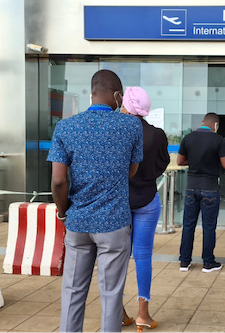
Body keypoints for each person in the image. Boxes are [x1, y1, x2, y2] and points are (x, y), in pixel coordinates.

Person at [47, 69, 143, 332]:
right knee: (111, 294)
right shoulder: (131, 126)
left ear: (91, 93)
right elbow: (131, 172)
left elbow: (58, 181)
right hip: (114, 223)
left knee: (73, 290)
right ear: (116, 95)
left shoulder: (65, 127)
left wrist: (64, 212)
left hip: (77, 223)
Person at [120, 87, 169, 332]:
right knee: (143, 256)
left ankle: (118, 310)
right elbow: (162, 163)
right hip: (148, 200)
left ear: (127, 105)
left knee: (116, 257)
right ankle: (143, 314)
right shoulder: (157, 134)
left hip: (119, 202)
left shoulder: (117, 131)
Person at [177, 113, 225, 272]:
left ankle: (184, 262)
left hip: (191, 187)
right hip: (210, 188)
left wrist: (193, 162)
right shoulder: (218, 140)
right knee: (208, 227)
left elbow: (180, 161)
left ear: (202, 123)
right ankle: (208, 262)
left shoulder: (188, 138)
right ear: (215, 124)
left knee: (188, 226)